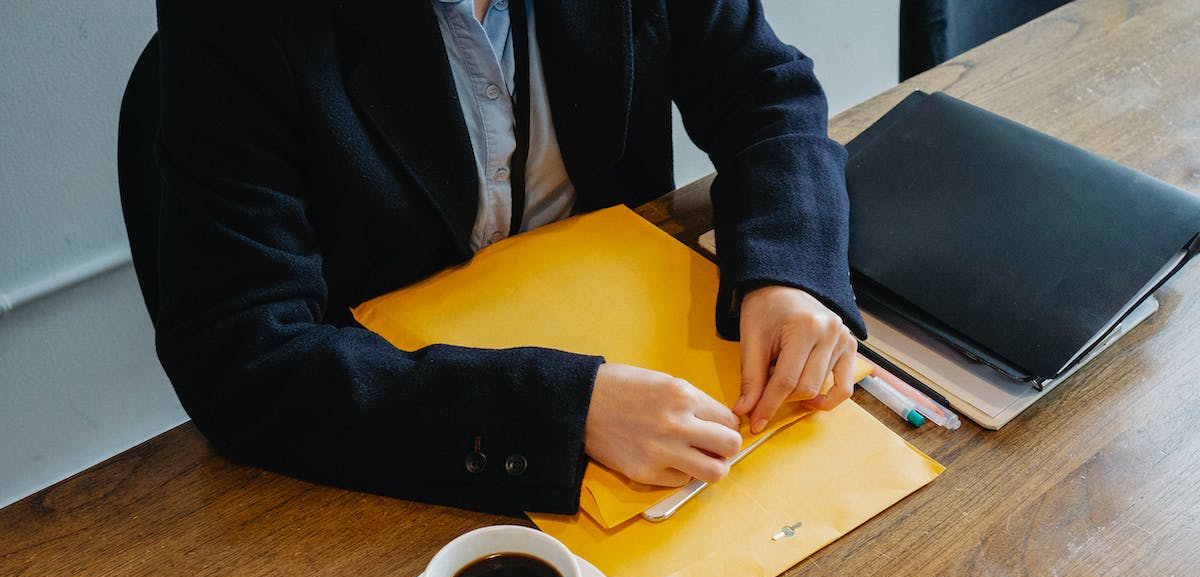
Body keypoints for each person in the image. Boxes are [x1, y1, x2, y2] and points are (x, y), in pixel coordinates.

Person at [150, 0, 866, 515]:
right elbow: (240, 355)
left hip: (636, 347)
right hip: (403, 445)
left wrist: (790, 270)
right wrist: (565, 411)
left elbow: (762, 90)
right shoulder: (228, 21)